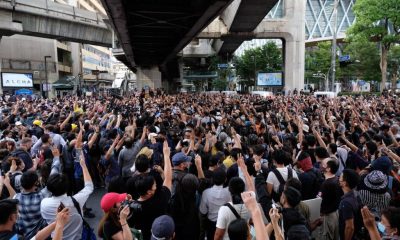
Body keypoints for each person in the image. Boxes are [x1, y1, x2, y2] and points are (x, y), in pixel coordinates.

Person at [127, 141, 172, 240]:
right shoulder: (160, 198)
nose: (156, 186)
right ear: (149, 192)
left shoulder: (132, 207)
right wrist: (166, 156)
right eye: (154, 185)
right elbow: (168, 178)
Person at [40, 155, 93, 239]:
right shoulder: (75, 201)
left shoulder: (44, 203)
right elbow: (89, 187)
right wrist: (83, 166)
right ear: (67, 187)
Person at [199, 167, 231, 240]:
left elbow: (203, 211)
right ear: (225, 179)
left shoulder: (206, 193)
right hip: (225, 222)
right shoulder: (229, 191)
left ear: (212, 179)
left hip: (211, 224)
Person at [318, 158, 342, 240]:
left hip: (327, 216)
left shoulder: (326, 184)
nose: (321, 165)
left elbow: (321, 201)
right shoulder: (337, 179)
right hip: (335, 213)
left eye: (323, 164)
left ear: (328, 169)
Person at [338, 169, 363, 240]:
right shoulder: (356, 194)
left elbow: (350, 227)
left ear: (345, 183)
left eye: (340, 177)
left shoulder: (346, 203)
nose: (339, 178)